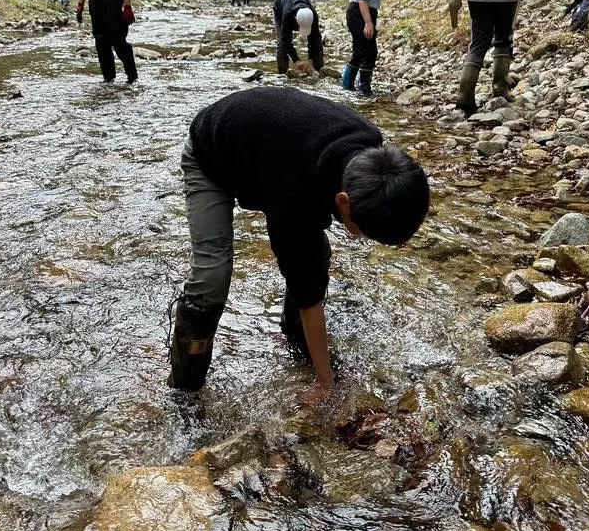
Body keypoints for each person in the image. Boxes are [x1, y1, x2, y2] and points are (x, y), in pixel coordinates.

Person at [168, 87, 430, 404]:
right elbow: (306, 287)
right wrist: (325, 384)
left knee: (315, 257)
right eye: (363, 231)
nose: (360, 237)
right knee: (212, 277)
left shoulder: (371, 149)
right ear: (343, 202)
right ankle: (184, 391)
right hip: (211, 155)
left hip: (268, 151)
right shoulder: (294, 195)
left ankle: (297, 340)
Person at [342, 0, 392, 96]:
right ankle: (363, 89)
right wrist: (368, 23)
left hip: (362, 12)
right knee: (368, 51)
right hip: (360, 13)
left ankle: (348, 86)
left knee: (360, 50)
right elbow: (362, 0)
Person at [272, 0, 324, 74]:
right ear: (296, 21)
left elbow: (315, 39)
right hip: (280, 6)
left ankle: (319, 70)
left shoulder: (313, 15)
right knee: (282, 44)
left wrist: (310, 59)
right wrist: (296, 60)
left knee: (317, 42)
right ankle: (282, 75)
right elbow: (286, 40)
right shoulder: (287, 15)